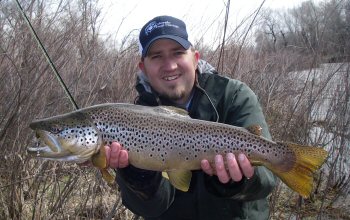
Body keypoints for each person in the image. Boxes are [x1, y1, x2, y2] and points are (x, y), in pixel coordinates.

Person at [104, 15, 276, 220]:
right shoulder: (131, 120)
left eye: (177, 53)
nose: (169, 66)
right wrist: (138, 176)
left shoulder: (233, 95)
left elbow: (266, 182)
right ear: (143, 67)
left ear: (195, 58)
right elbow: (152, 208)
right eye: (157, 56)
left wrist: (236, 181)